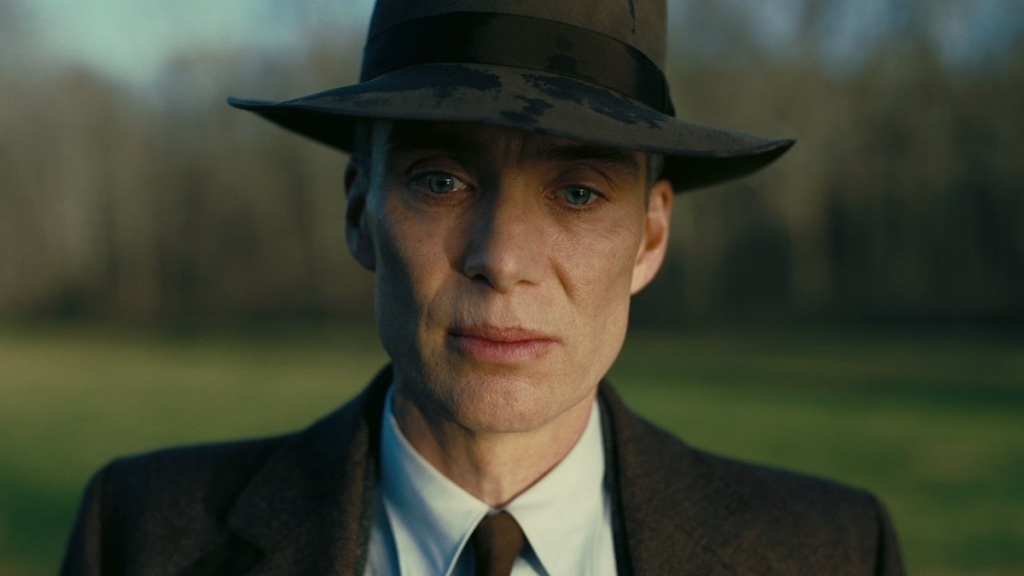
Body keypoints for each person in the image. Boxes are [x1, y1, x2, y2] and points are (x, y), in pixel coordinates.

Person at [62, 1, 904, 574]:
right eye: (440, 180)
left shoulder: (829, 551)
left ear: (650, 237)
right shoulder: (140, 535)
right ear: (359, 211)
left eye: (578, 192)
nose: (502, 257)